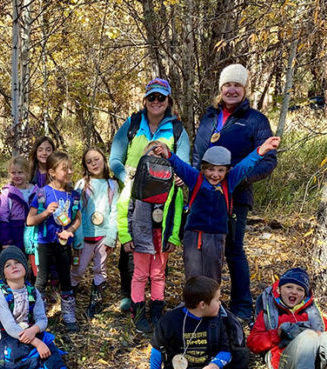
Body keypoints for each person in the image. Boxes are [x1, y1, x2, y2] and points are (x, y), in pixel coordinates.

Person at [193, 64, 278, 321]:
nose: (232, 90)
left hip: (235, 199)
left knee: (233, 250)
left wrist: (236, 180)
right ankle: (205, 304)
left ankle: (242, 307)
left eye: (237, 85)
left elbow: (268, 161)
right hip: (205, 198)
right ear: (221, 89)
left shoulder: (255, 120)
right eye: (227, 85)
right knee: (205, 250)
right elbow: (198, 156)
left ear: (244, 89)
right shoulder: (208, 119)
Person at [109, 78, 190, 312]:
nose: (156, 102)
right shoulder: (133, 123)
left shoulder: (176, 128)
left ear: (168, 101)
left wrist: (181, 177)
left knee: (159, 244)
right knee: (130, 245)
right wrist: (128, 179)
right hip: (135, 194)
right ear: (145, 100)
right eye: (152, 97)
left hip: (164, 197)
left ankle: (156, 298)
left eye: (161, 97)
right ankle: (130, 295)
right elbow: (114, 158)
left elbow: (183, 162)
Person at [158, 137, 280, 282]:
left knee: (213, 276)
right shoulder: (195, 179)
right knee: (193, 275)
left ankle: (211, 303)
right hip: (193, 235)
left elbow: (246, 164)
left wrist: (262, 150)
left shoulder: (229, 182)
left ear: (227, 171)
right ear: (203, 169)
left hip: (217, 237)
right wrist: (168, 153)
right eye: (211, 169)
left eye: (221, 170)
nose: (215, 175)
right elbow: (179, 165)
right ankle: (192, 304)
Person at [126, 141, 184, 333]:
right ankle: (139, 313)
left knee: (158, 274)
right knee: (140, 274)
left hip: (162, 236)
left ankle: (157, 312)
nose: (157, 159)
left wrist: (173, 238)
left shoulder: (174, 187)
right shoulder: (135, 184)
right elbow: (124, 210)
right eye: (152, 155)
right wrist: (126, 236)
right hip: (141, 235)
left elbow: (177, 213)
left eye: (162, 156)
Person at [0, 247, 67, 369]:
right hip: (9, 336)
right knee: (11, 360)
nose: (14, 266)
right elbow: (10, 327)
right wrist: (37, 343)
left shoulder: (33, 291)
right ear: (4, 274)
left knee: (51, 349)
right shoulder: (0, 295)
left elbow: (42, 319)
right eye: (8, 265)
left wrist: (34, 330)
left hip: (31, 332)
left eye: (17, 262)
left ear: (25, 266)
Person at [27, 152, 82, 331]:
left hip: (63, 244)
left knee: (65, 278)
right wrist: (45, 213)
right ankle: (39, 315)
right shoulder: (42, 194)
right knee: (41, 279)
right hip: (44, 243)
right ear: (51, 172)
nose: (69, 172)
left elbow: (78, 219)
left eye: (70, 168)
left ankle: (68, 315)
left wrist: (70, 231)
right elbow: (29, 220)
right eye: (64, 169)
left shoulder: (73, 195)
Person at [69, 147, 119, 319]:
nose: (93, 164)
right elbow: (77, 212)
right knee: (79, 268)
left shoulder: (112, 185)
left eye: (96, 159)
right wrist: (78, 237)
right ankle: (69, 297)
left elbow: (115, 212)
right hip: (84, 237)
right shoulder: (82, 184)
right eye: (89, 161)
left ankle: (96, 301)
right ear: (85, 166)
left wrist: (111, 238)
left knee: (101, 268)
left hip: (103, 237)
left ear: (104, 160)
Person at [0, 156, 38, 253]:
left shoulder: (37, 191)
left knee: (35, 263)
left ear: (27, 173)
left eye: (20, 172)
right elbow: (3, 217)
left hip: (34, 232)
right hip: (15, 232)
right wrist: (6, 240)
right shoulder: (7, 193)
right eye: (13, 173)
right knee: (19, 261)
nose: (17, 175)